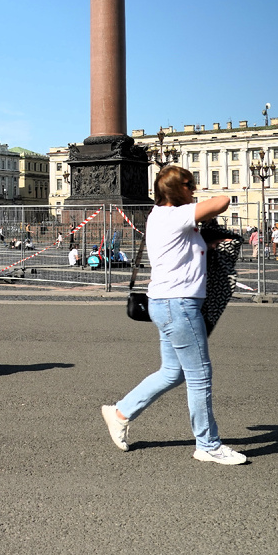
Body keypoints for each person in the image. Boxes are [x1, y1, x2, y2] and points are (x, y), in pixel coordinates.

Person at [101, 164, 246, 465]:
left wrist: (206, 243)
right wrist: (196, 202)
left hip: (167, 304)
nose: (193, 189)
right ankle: (208, 444)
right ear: (174, 189)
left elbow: (182, 251)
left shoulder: (161, 217)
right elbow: (222, 201)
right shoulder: (175, 215)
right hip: (178, 305)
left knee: (173, 372)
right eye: (189, 184)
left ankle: (120, 412)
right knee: (199, 375)